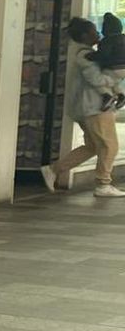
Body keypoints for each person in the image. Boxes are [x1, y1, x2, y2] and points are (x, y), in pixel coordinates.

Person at [43, 16, 125, 197]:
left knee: (93, 147)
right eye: (94, 31)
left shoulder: (84, 53)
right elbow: (96, 78)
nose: (98, 34)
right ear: (84, 35)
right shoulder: (86, 55)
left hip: (87, 108)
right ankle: (103, 184)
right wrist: (115, 79)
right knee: (109, 145)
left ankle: (54, 170)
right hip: (95, 108)